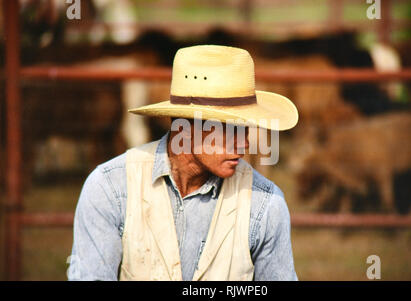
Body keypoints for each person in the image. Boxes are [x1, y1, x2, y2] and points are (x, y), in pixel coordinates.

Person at [68, 45, 299, 281]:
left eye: (245, 128)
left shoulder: (266, 204)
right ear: (185, 128)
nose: (244, 144)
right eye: (229, 128)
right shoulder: (110, 188)